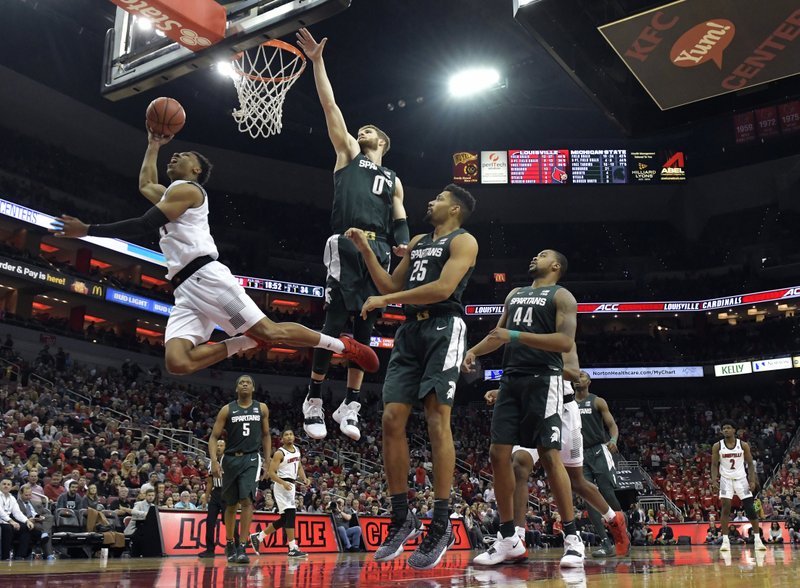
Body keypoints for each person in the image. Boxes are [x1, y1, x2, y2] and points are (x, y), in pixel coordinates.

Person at [48, 127, 379, 378]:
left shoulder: (189, 190)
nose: (175, 156)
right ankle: (241, 342)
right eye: (174, 155)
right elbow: (146, 186)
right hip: (185, 289)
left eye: (184, 155)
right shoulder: (172, 192)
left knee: (271, 332)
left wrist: (88, 231)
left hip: (206, 278)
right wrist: (153, 145)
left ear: (196, 171)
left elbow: (143, 223)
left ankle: (343, 346)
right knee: (177, 363)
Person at [346, 184, 478, 570]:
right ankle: (401, 516)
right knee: (390, 419)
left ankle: (440, 522)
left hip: (444, 326)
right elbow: (391, 285)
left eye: (437, 198)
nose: (430, 200)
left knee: (438, 418)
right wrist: (367, 251)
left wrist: (386, 301)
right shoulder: (419, 240)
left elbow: (443, 288)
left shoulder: (464, 240)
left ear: (454, 208)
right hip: (409, 332)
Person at [295, 27, 410, 442]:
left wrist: (401, 246)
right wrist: (318, 62)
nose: (361, 130)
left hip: (377, 250)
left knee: (365, 330)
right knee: (335, 321)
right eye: (360, 128)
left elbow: (400, 218)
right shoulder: (347, 153)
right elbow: (330, 106)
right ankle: (313, 398)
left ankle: (351, 404)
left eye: (369, 129)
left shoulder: (394, 178)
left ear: (383, 141)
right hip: (345, 242)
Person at [461, 250, 584, 568]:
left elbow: (564, 343)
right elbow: (498, 335)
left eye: (542, 255)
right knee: (497, 455)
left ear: (556, 265)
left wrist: (514, 334)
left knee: (548, 454)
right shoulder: (515, 293)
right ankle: (508, 539)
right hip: (511, 379)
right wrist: (473, 351)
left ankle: (572, 538)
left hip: (544, 380)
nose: (534, 257)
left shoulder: (562, 296)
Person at [475, 346, 629, 566]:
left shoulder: (556, 333)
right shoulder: (522, 338)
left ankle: (614, 519)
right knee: (519, 465)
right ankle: (516, 538)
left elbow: (571, 372)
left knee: (576, 482)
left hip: (563, 410)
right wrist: (502, 392)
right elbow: (523, 380)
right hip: (533, 409)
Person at [208, 375, 270, 565]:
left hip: (251, 458)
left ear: (253, 388)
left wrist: (268, 461)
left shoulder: (261, 408)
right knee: (231, 504)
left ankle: (242, 545)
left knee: (246, 500)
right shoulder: (227, 409)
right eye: (241, 382)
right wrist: (214, 461)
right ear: (236, 389)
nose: (244, 384)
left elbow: (266, 435)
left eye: (248, 382)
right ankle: (230, 544)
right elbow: (213, 437)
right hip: (230, 459)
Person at [574, 369, 627, 556]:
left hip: (598, 450)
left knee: (607, 493)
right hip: (579, 454)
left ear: (589, 381)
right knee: (589, 497)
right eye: (576, 376)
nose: (577, 378)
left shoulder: (597, 401)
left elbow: (612, 425)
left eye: (581, 376)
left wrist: (613, 440)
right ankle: (606, 543)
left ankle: (622, 533)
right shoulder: (567, 402)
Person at [249, 429, 309, 558]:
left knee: (284, 519)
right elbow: (271, 473)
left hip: (291, 486)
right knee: (291, 514)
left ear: (294, 436)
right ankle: (293, 548)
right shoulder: (279, 453)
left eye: (291, 434)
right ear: (282, 439)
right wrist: (283, 483)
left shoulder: (297, 450)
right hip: (282, 486)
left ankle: (258, 537)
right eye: (286, 435)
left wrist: (304, 478)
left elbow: (299, 467)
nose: (289, 436)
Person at [711, 419, 766, 552]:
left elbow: (750, 464)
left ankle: (758, 540)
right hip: (725, 480)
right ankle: (725, 541)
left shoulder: (743, 445)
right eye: (724, 428)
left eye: (728, 428)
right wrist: (713, 480)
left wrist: (752, 480)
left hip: (741, 479)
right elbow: (714, 464)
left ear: (734, 430)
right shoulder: (717, 446)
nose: (725, 430)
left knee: (750, 508)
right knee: (725, 508)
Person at [198, 439, 239, 558]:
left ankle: (237, 547)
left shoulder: (229, 460)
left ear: (225, 447)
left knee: (230, 522)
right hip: (216, 493)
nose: (219, 447)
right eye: (218, 445)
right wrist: (206, 497)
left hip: (228, 492)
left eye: (221, 445)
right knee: (210, 522)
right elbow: (210, 481)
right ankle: (210, 550)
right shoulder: (212, 461)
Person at [0, 477, 36, 560]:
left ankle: (20, 555)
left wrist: (27, 521)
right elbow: (1, 512)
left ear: (11, 486)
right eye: (4, 484)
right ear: (0, 485)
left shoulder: (12, 498)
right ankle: (5, 557)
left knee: (25, 527)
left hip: (8, 521)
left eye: (8, 484)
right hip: (2, 521)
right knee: (7, 528)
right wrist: (11, 521)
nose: (6, 486)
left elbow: (17, 512)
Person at [17, 484, 54, 559]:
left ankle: (44, 533)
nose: (28, 497)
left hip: (38, 520)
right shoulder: (16, 504)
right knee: (48, 531)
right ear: (21, 494)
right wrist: (28, 519)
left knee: (50, 517)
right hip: (28, 522)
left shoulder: (35, 503)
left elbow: (45, 512)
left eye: (30, 495)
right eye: (26, 495)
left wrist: (41, 517)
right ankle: (49, 554)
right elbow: (17, 516)